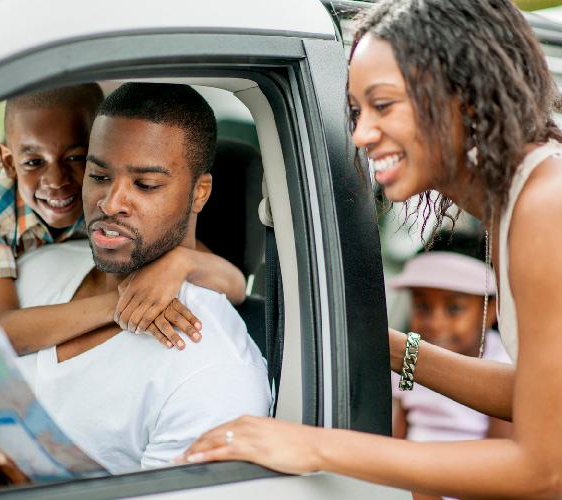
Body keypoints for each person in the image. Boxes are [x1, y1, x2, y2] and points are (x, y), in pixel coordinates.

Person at [178, 1, 562, 498]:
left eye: (383, 105)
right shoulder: (527, 197)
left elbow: (545, 468)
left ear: (464, 95)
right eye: (357, 112)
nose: (360, 134)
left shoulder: (545, 206)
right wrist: (377, 344)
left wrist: (317, 447)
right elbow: (532, 397)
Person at [0, 82, 271, 490]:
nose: (110, 203)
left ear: (200, 192)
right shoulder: (34, 265)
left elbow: (234, 282)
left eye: (145, 185)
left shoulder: (212, 372)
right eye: (98, 175)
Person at [389, 231, 512, 500]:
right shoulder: (409, 355)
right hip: (411, 479)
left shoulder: (502, 361)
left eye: (454, 308)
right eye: (422, 306)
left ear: (491, 310)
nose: (435, 322)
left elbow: (502, 457)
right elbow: (397, 433)